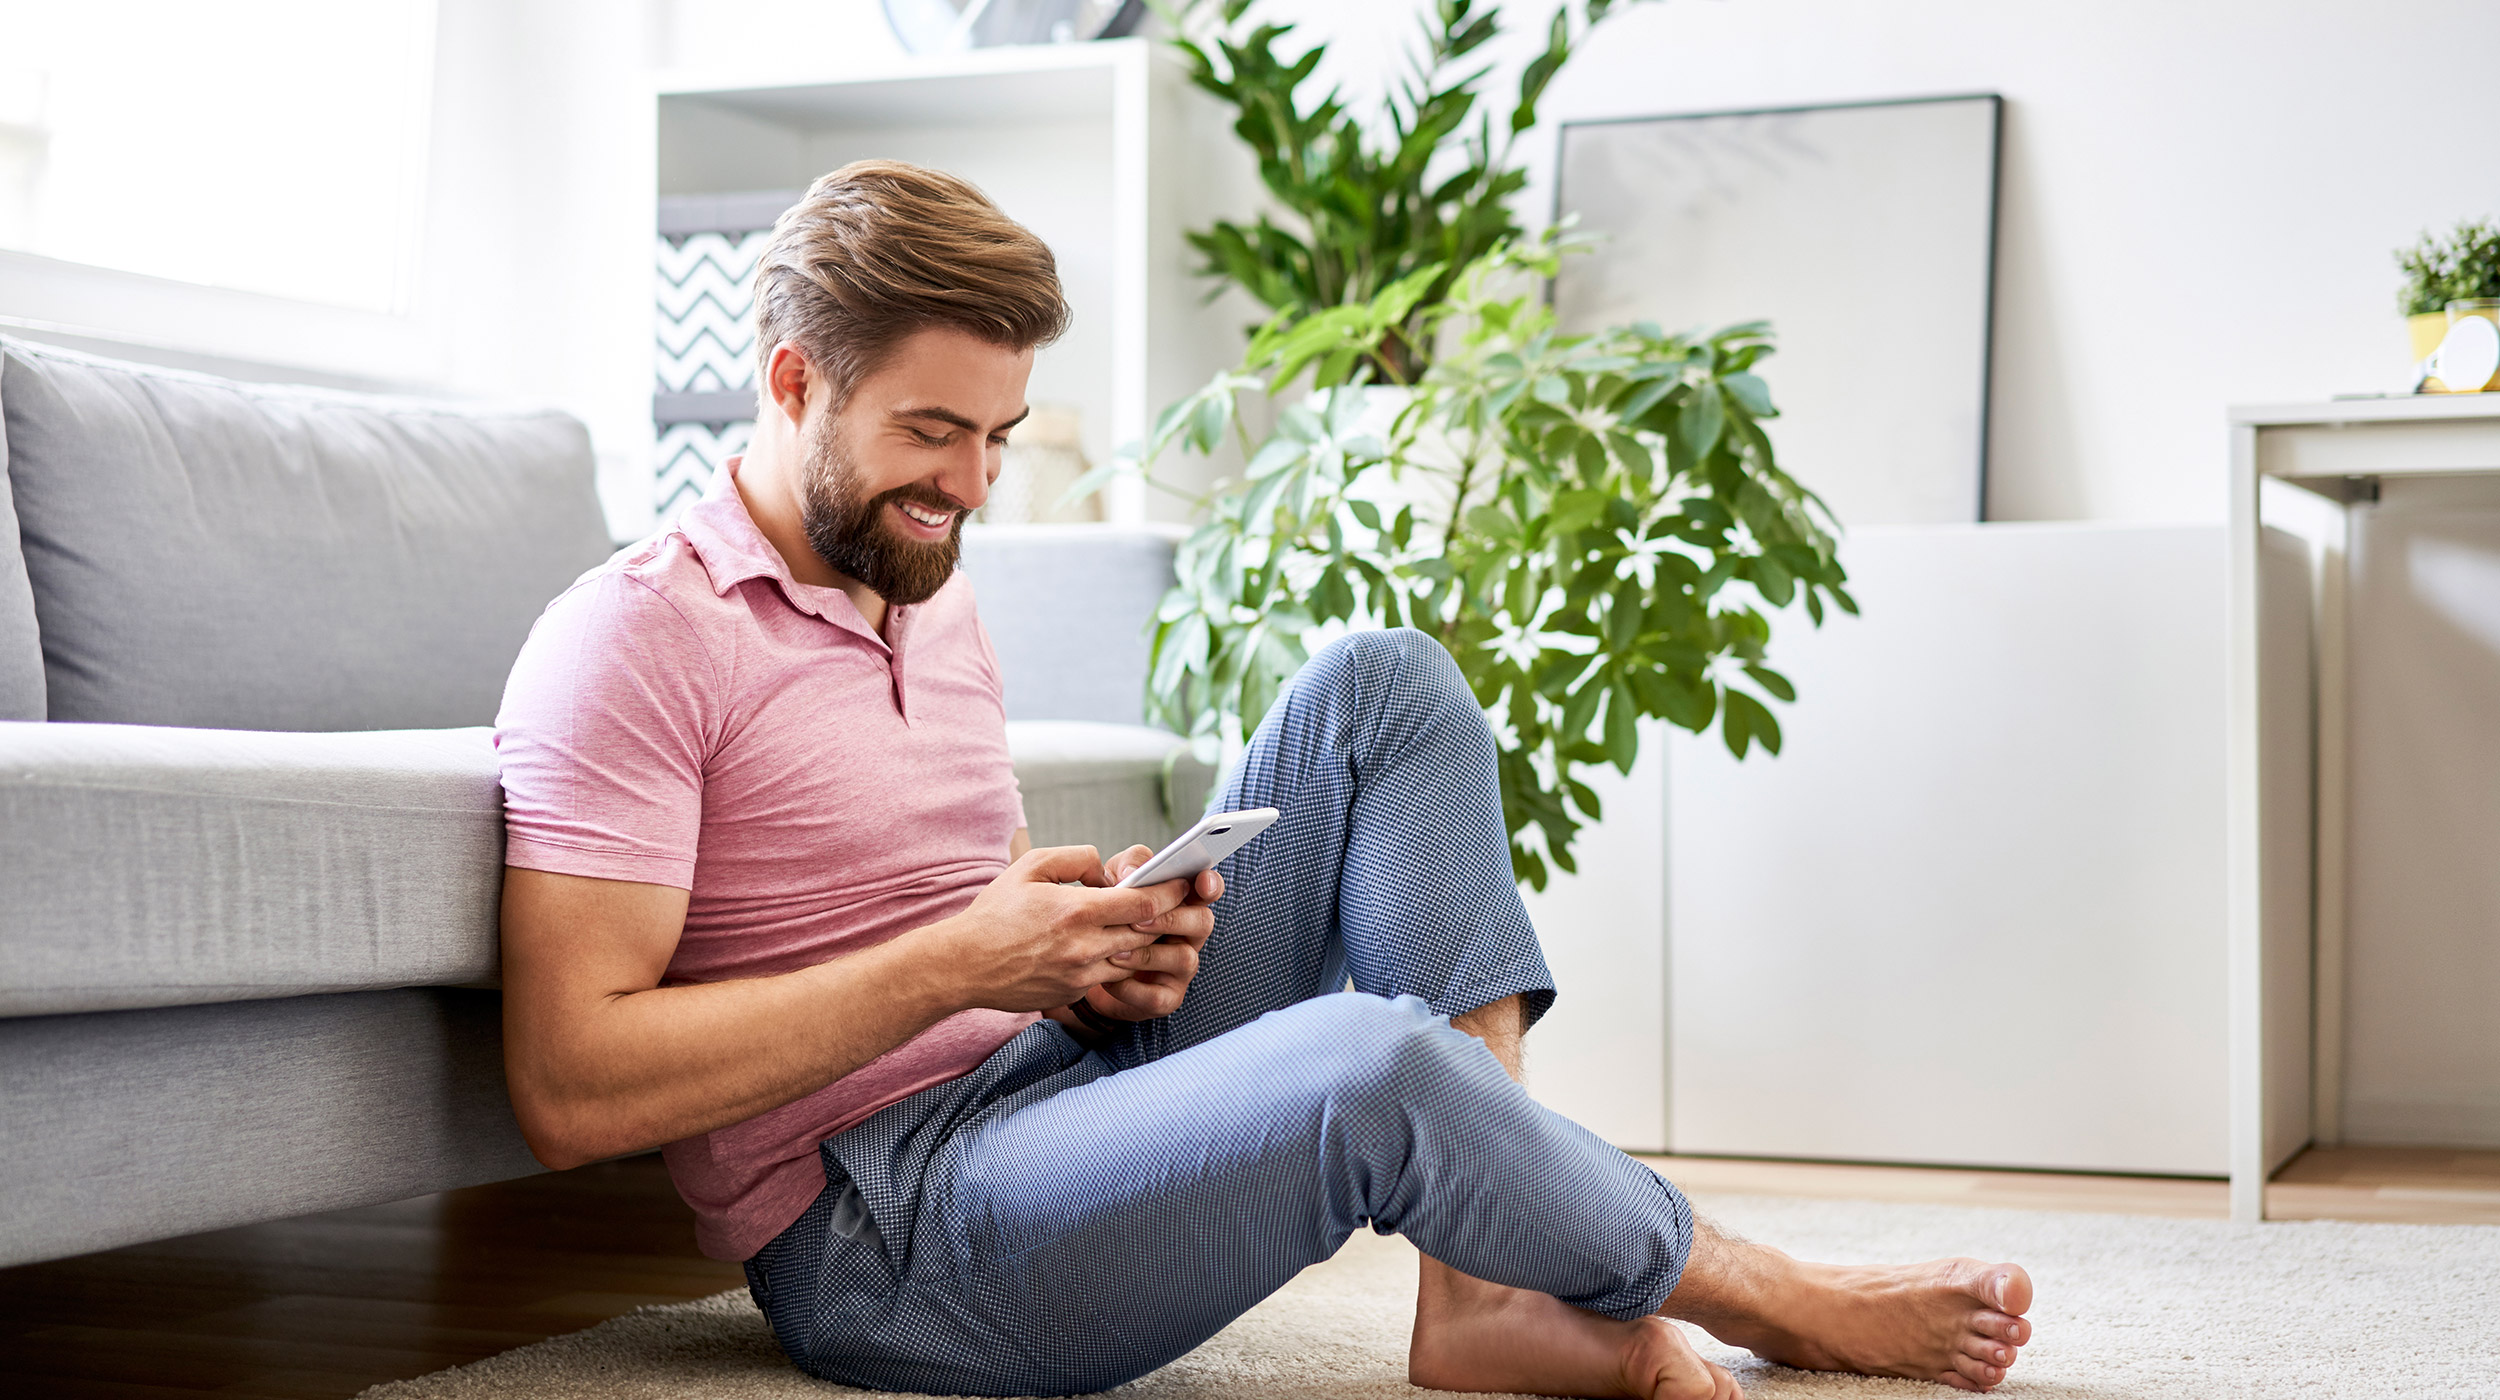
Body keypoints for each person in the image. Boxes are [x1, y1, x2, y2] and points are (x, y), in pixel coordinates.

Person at [493, 160, 2034, 1400]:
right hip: (886, 1234)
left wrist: (1087, 955)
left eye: (1000, 439)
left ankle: (1479, 1294)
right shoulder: (631, 642)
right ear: (788, 382)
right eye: (933, 432)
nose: (970, 487)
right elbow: (569, 1087)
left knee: (1387, 680)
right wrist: (965, 959)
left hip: (1046, 1083)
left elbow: (961, 911)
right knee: (1368, 1062)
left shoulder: (929, 580)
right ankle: (1775, 1293)